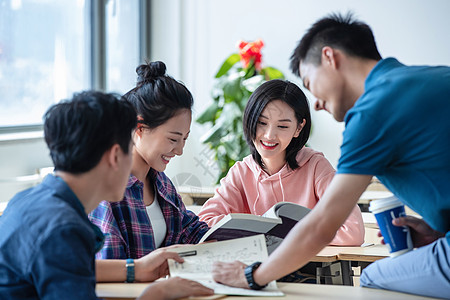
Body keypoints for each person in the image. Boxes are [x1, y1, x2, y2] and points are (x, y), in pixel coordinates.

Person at [211, 12, 450, 299]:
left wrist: (253, 276)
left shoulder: (371, 113)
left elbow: (324, 225)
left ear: (330, 58)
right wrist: (437, 232)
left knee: (373, 278)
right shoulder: (432, 78)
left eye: (310, 83)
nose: (317, 103)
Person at [0, 91, 213, 299]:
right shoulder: (64, 229)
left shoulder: (25, 201)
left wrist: (136, 269)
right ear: (115, 156)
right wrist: (155, 295)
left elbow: (73, 267)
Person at [198, 79, 364, 248]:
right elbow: (205, 223)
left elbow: (353, 231)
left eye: (283, 126)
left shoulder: (316, 167)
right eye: (262, 123)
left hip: (307, 270)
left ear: (299, 128)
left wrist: (288, 235)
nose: (269, 135)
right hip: (256, 269)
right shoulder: (241, 172)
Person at [89, 61, 209, 260]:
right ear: (139, 128)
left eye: (184, 139)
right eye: (173, 139)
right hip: (137, 292)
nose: (179, 151)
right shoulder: (107, 192)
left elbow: (190, 230)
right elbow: (111, 266)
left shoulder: (162, 184)